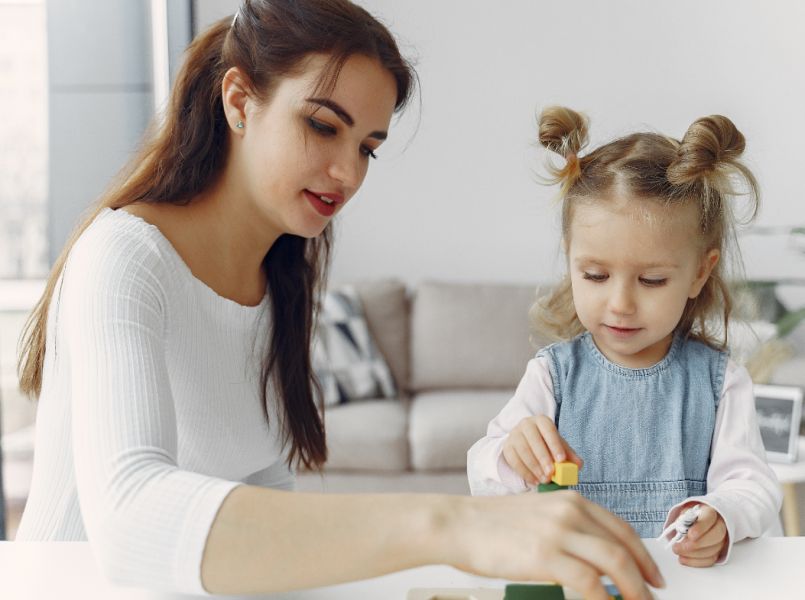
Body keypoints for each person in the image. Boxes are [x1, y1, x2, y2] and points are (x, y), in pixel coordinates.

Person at [15, 3, 664, 598]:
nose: (348, 173)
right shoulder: (125, 256)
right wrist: (452, 524)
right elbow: (130, 519)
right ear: (239, 100)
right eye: (323, 126)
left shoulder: (277, 284)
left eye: (366, 149)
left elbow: (264, 495)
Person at [467, 106, 783, 568]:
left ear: (699, 273)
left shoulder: (720, 382)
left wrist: (723, 514)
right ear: (570, 259)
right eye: (595, 275)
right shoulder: (553, 375)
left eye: (651, 281)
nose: (620, 304)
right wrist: (511, 453)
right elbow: (482, 473)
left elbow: (753, 485)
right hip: (578, 582)